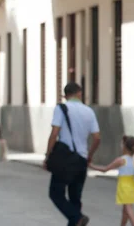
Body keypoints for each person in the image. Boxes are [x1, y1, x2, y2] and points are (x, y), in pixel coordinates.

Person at [44, 82, 101, 226]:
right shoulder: (89, 111)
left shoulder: (61, 108)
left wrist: (47, 155)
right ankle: (77, 218)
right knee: (75, 199)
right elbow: (97, 138)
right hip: (81, 160)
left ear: (65, 95)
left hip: (65, 160)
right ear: (80, 93)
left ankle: (78, 218)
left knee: (55, 193)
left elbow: (54, 133)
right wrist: (89, 155)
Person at [89, 135, 134, 226]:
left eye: (122, 144)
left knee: (128, 209)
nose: (121, 146)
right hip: (132, 187)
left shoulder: (120, 160)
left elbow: (105, 169)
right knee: (125, 210)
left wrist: (91, 166)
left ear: (125, 147)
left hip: (124, 187)